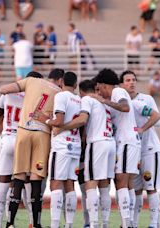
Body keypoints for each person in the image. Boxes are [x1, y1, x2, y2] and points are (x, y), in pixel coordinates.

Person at [0, 69, 64, 228]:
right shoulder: (59, 92)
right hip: (42, 134)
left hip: (23, 132)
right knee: (36, 181)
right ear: (60, 80)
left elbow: (3, 89)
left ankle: (10, 223)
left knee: (19, 178)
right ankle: (36, 224)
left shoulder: (30, 81)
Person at [54, 79, 115, 227]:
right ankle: (103, 223)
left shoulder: (86, 100)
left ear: (80, 91)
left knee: (89, 185)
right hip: (109, 142)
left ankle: (91, 224)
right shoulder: (104, 102)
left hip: (94, 145)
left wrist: (62, 127)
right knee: (104, 185)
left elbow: (82, 120)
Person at [91, 69, 141, 228]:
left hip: (127, 141)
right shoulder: (113, 96)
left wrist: (104, 101)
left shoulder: (118, 91)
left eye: (100, 88)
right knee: (127, 183)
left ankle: (126, 223)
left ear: (106, 85)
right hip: (127, 141)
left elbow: (125, 107)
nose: (100, 92)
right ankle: (129, 222)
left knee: (121, 181)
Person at [0, 72, 43, 228]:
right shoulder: (34, 98)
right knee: (27, 183)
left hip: (7, 138)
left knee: (3, 184)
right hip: (23, 140)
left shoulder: (8, 93)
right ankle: (31, 222)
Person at [33, 72, 81, 228]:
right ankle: (69, 224)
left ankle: (54, 225)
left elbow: (59, 121)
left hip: (61, 146)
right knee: (70, 185)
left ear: (61, 82)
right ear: (75, 84)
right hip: (75, 145)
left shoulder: (61, 96)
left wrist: (44, 119)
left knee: (55, 184)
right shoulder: (79, 100)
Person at [119, 70, 160, 228]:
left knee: (150, 187)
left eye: (133, 80)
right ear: (121, 84)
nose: (131, 82)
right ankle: (133, 223)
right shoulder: (121, 103)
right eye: (127, 80)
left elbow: (157, 120)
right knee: (136, 189)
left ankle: (154, 224)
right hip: (134, 151)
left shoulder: (146, 99)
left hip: (150, 149)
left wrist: (142, 128)